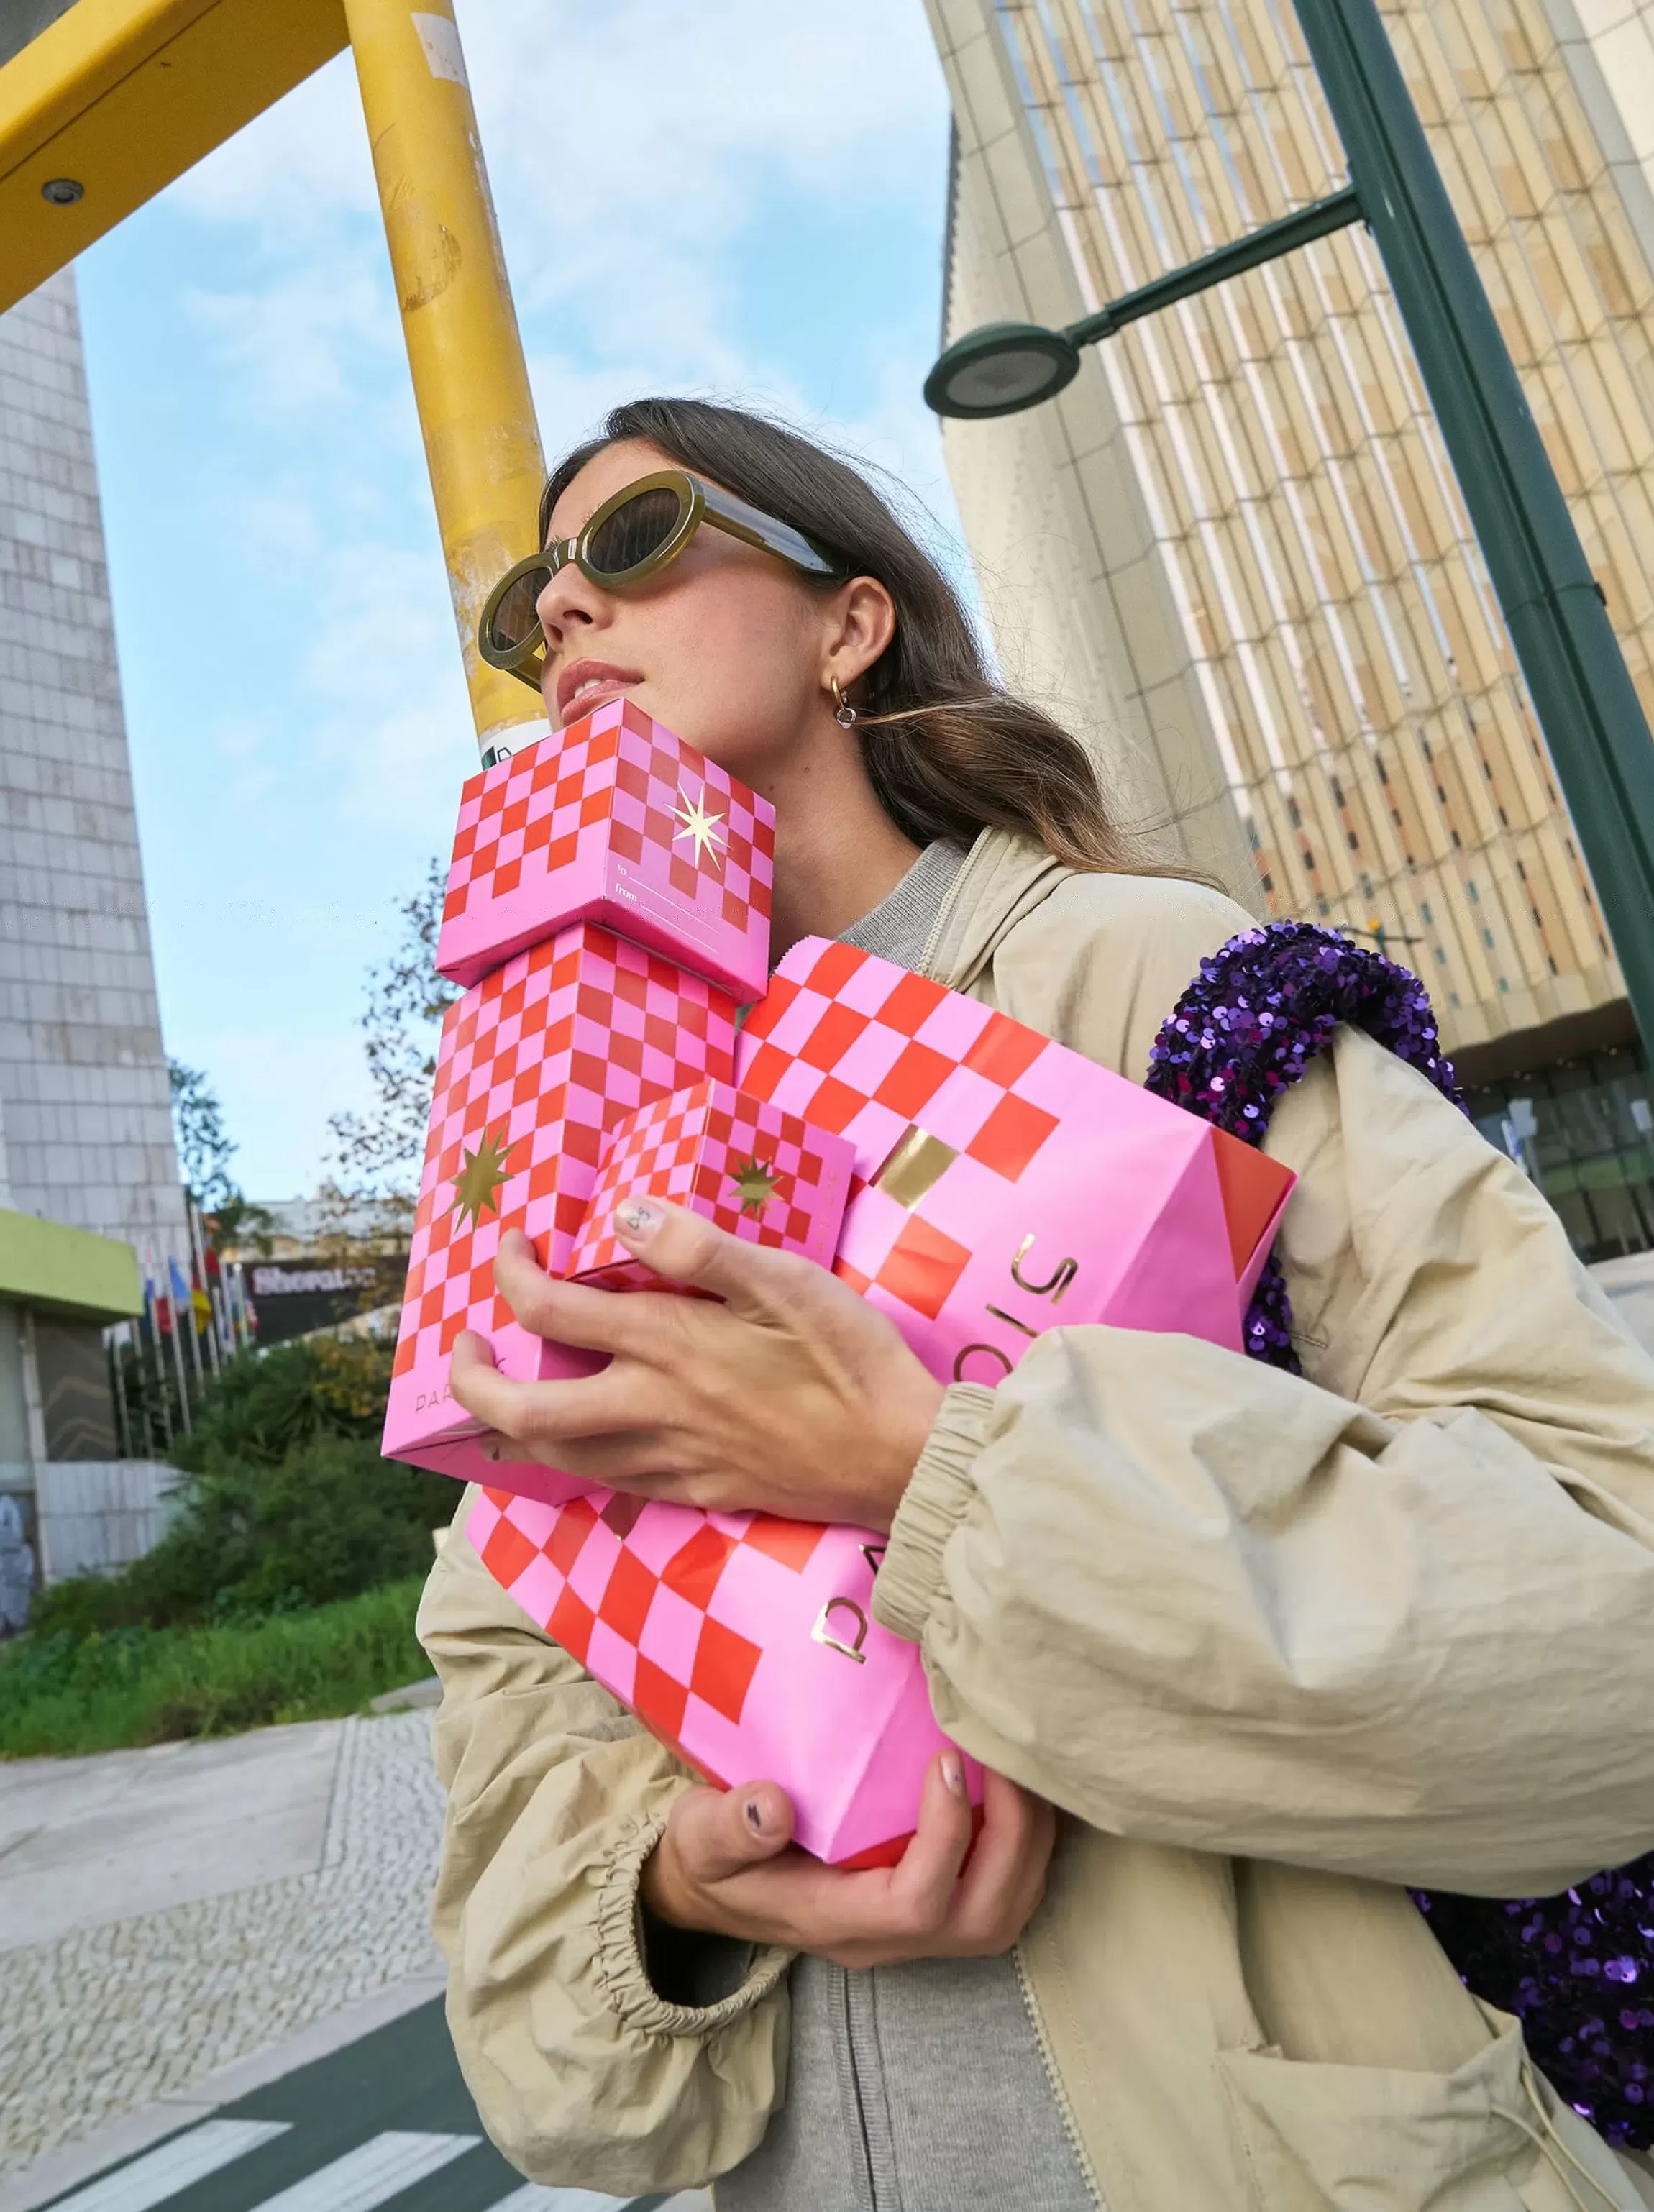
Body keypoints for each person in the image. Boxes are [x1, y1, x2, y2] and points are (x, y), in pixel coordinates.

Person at [417, 396, 1654, 2211]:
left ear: (850, 623)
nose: (564, 622)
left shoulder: (1162, 987)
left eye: (633, 540)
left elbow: (1606, 1644)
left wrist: (928, 1472)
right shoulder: (566, 1160)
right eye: (533, 605)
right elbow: (538, 2048)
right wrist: (672, 1892)